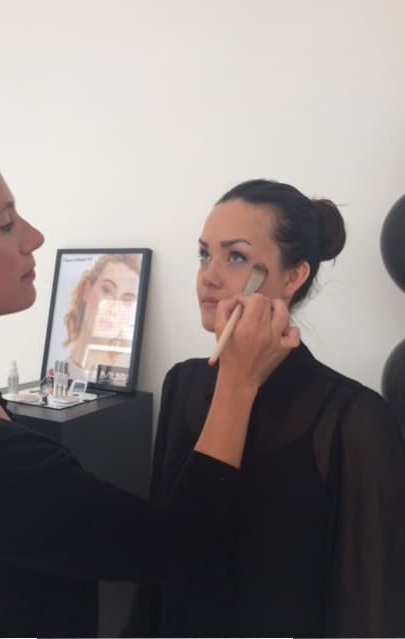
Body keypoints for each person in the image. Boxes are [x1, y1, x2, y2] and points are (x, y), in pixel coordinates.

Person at [0, 119, 300, 638]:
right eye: (5, 224)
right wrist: (237, 383)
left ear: (295, 276)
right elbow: (173, 546)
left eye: (236, 256)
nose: (35, 237)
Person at [124, 179, 405, 638]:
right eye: (204, 255)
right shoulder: (183, 384)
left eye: (235, 257)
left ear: (293, 277)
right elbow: (159, 572)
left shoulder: (354, 420)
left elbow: (367, 612)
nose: (208, 276)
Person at [63, 253, 141, 384]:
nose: (113, 309)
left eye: (127, 301)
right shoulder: (57, 371)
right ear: (86, 290)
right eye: (107, 290)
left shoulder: (123, 376)